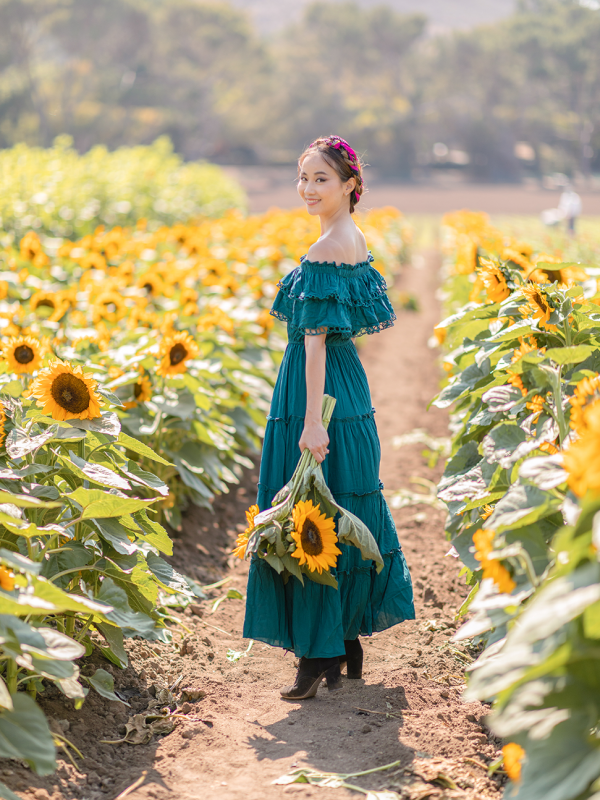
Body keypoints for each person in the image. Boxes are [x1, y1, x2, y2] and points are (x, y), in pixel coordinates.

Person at [242, 135, 415, 700]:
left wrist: (311, 421)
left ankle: (317, 655)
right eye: (303, 177)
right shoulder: (352, 237)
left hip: (318, 392)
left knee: (310, 511)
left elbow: (313, 342)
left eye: (321, 179)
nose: (308, 188)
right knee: (341, 502)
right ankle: (344, 642)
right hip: (349, 386)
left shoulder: (324, 251)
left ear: (349, 186)